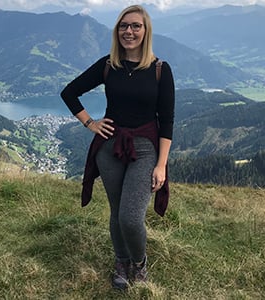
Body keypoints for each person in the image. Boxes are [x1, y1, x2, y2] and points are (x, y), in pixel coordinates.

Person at [60, 4, 175, 290]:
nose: (129, 31)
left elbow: (168, 120)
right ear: (117, 31)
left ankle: (139, 262)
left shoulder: (160, 70)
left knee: (130, 216)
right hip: (109, 147)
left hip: (146, 148)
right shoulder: (108, 65)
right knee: (116, 211)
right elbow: (69, 92)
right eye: (123, 26)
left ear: (145, 31)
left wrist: (161, 164)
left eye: (136, 26)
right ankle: (121, 260)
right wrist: (90, 123)